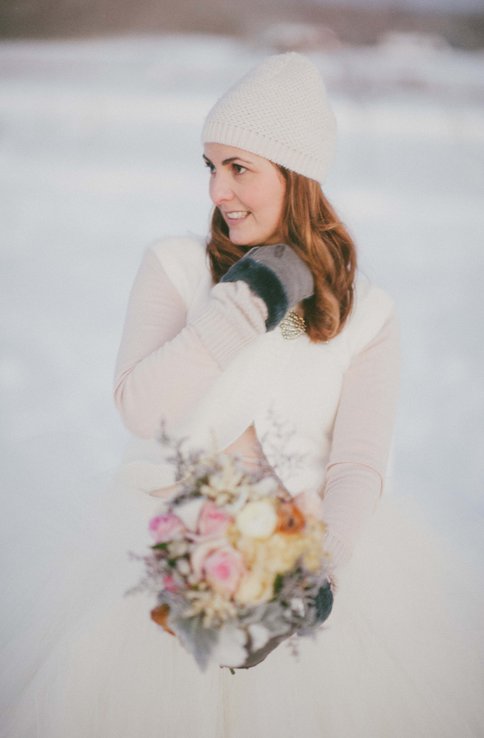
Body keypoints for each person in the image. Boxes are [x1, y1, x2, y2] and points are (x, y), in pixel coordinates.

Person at [3, 52, 483, 738]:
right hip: (168, 557)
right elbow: (141, 408)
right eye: (210, 166)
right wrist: (242, 306)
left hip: (305, 563)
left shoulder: (369, 314)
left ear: (296, 175)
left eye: (239, 168)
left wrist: (321, 571)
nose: (216, 191)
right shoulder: (176, 267)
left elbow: (358, 465)